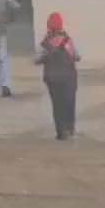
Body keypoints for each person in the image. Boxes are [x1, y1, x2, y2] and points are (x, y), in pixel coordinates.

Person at [34, 12, 81, 140]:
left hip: (52, 78)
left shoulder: (45, 43)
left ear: (48, 26)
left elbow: (36, 60)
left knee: (57, 104)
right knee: (69, 102)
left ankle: (61, 132)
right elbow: (77, 56)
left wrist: (46, 57)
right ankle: (70, 129)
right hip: (69, 77)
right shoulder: (67, 41)